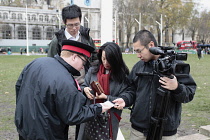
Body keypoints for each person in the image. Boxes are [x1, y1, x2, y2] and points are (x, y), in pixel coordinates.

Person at [15, 40, 114, 140]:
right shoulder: (66, 80)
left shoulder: (36, 62)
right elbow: (73, 115)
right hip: (48, 134)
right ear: (74, 57)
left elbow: (19, 88)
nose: (83, 67)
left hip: (24, 128)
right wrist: (100, 107)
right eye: (83, 62)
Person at [113, 30, 197, 140]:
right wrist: (125, 99)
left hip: (166, 133)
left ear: (151, 45)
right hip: (139, 131)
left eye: (139, 51)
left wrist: (177, 87)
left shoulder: (176, 66)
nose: (138, 55)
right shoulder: (138, 67)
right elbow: (131, 89)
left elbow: (189, 94)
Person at [78, 42, 130, 140]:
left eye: (109, 60)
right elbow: (83, 86)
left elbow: (125, 99)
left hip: (109, 119)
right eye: (103, 58)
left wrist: (106, 97)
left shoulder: (123, 76)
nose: (106, 63)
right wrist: (84, 89)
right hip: (90, 116)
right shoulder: (93, 70)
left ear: (116, 59)